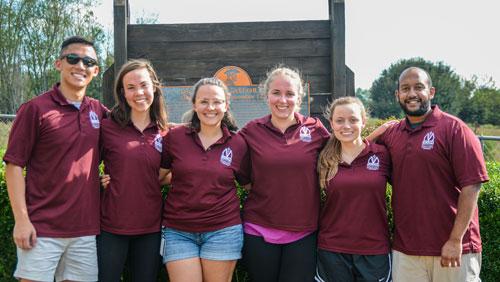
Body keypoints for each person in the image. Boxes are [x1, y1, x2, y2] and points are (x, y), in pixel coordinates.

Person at [370, 67, 489, 281]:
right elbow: (354, 152)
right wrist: (375, 134)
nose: (412, 94)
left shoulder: (455, 129)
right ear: (397, 95)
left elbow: (472, 186)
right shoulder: (392, 135)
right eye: (405, 89)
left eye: (419, 87)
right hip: (406, 251)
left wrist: (455, 240)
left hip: (453, 249)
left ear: (431, 92)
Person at [3, 36, 107, 282]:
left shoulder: (99, 111)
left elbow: (131, 136)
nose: (80, 65)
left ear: (95, 70)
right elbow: (14, 165)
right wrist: (21, 220)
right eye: (73, 58)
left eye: (88, 61)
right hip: (42, 229)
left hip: (85, 231)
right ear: (59, 64)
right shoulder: (35, 108)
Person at [239, 66, 330, 282]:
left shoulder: (315, 129)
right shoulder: (251, 130)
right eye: (276, 93)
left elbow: (344, 151)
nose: (283, 100)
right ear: (266, 95)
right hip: (258, 229)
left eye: (290, 94)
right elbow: (242, 178)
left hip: (304, 231)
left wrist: (379, 134)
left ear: (299, 97)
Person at [160, 77, 247, 282]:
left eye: (217, 101)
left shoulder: (238, 143)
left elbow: (249, 185)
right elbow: (160, 177)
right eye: (204, 101)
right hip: (178, 231)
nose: (211, 107)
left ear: (226, 105)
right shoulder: (175, 137)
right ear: (194, 105)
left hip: (223, 230)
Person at [97, 60, 168, 281]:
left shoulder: (165, 132)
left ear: (154, 87)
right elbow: (81, 164)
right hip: (111, 226)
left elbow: (170, 174)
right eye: (131, 87)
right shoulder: (106, 126)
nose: (139, 92)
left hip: (151, 228)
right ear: (122, 93)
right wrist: (96, 180)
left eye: (144, 85)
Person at [315, 97, 392, 282]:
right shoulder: (323, 158)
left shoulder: (382, 154)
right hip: (332, 250)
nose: (346, 125)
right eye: (339, 120)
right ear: (331, 123)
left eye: (353, 119)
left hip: (374, 249)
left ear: (364, 121)